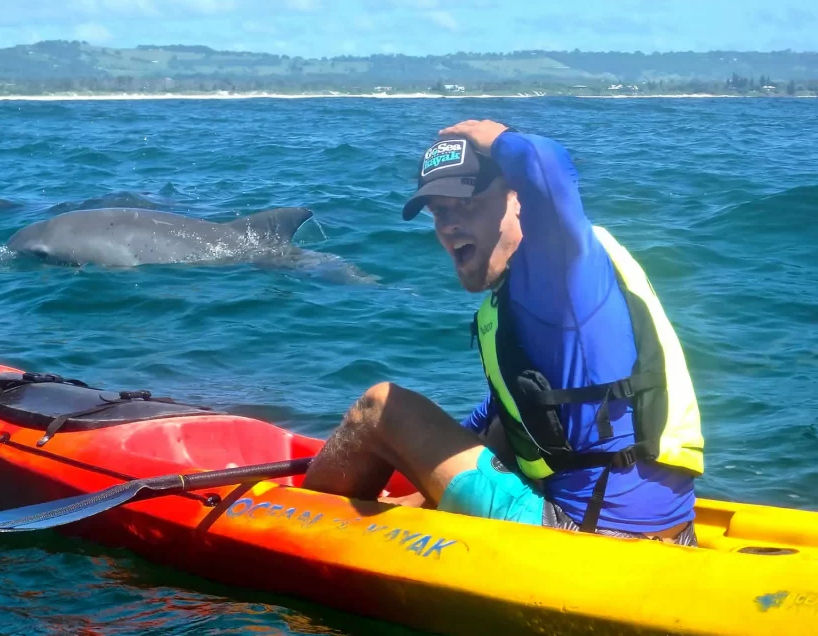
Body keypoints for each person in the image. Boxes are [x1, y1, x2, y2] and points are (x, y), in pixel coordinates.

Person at [300, 119, 705, 544]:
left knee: (378, 409)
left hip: (588, 535)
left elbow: (548, 169)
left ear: (517, 199)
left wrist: (496, 136)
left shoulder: (558, 267)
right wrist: (416, 471)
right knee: (492, 432)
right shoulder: (538, 291)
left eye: (467, 203)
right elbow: (502, 416)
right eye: (439, 212)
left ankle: (301, 529)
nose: (448, 225)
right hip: (669, 533)